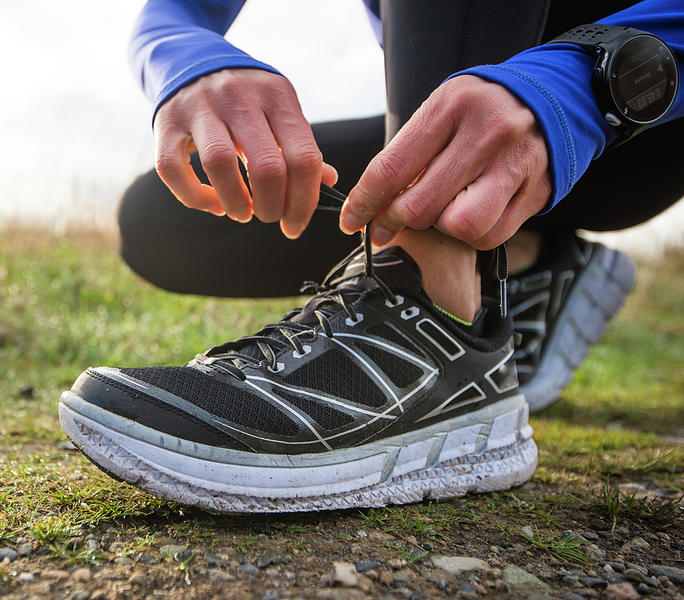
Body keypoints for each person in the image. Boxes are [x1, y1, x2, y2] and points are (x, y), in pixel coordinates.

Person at [57, 1, 683, 513]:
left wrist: (579, 83)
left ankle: (429, 302)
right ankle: (522, 269)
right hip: (458, 117)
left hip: (640, 107)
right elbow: (177, 10)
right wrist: (193, 62)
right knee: (168, 218)